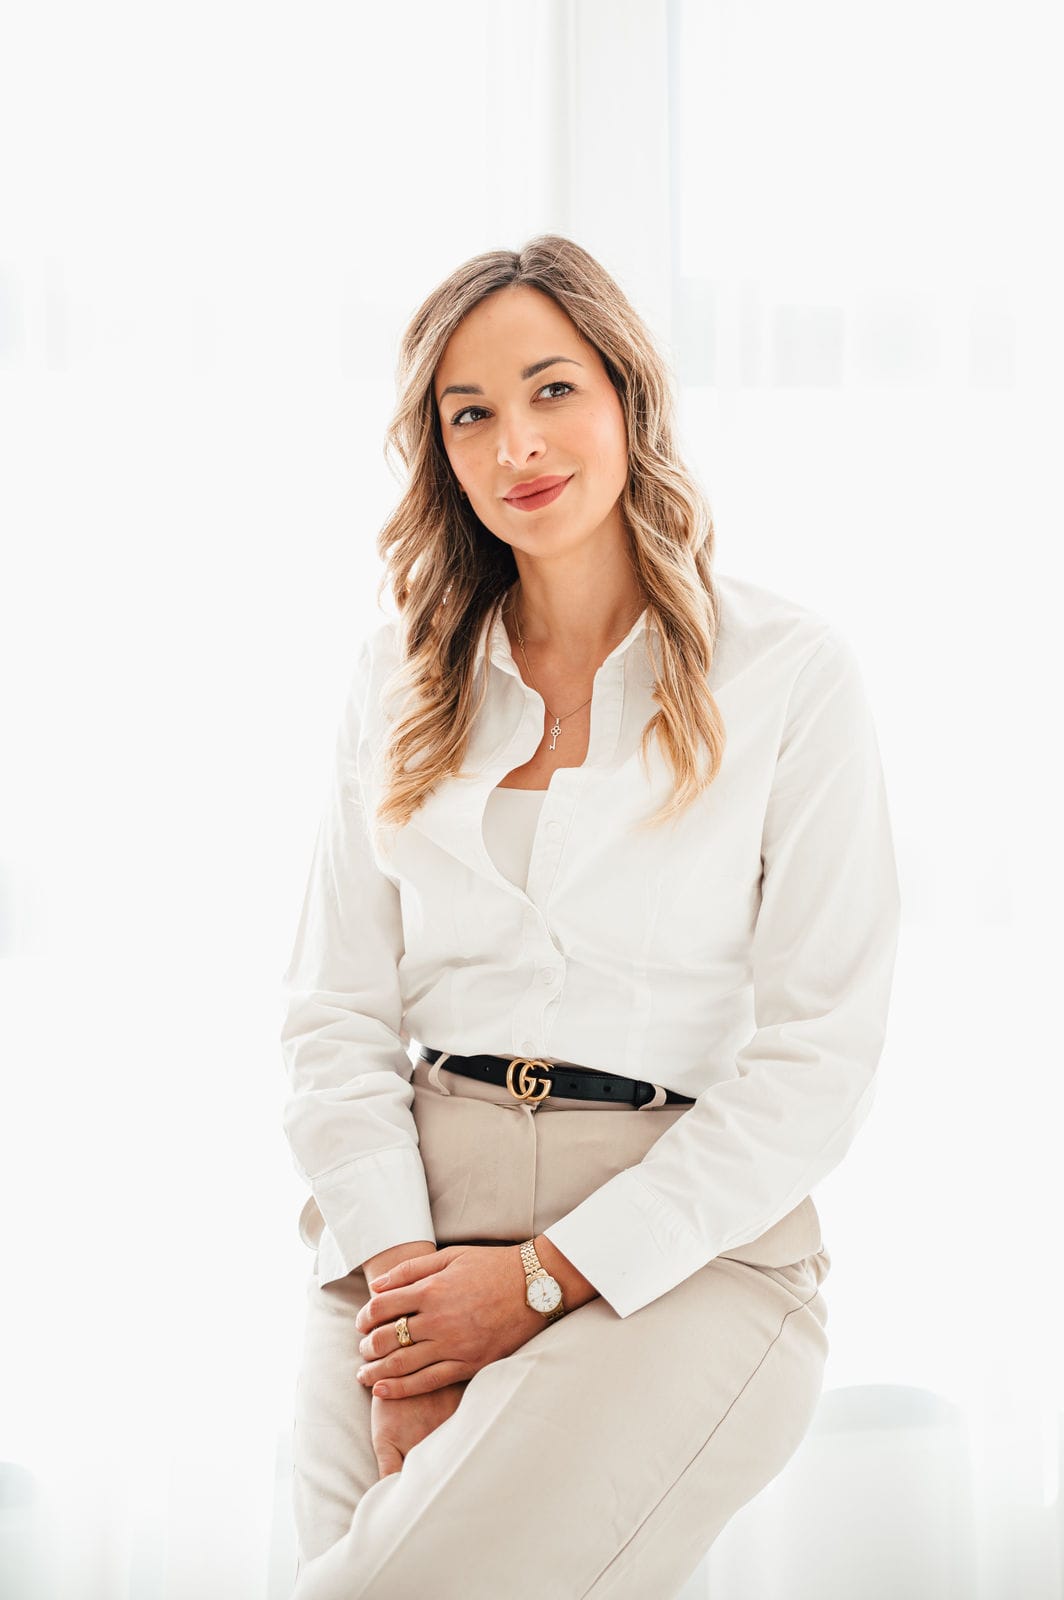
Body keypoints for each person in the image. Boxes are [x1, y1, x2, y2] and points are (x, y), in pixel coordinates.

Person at [280, 234, 901, 1599]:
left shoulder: (789, 674)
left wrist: (543, 1280)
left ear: (628, 393)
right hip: (406, 1229)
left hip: (679, 1249)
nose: (518, 445)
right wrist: (411, 1306)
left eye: (553, 389)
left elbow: (820, 1056)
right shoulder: (395, 679)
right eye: (471, 414)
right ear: (441, 453)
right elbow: (332, 1016)